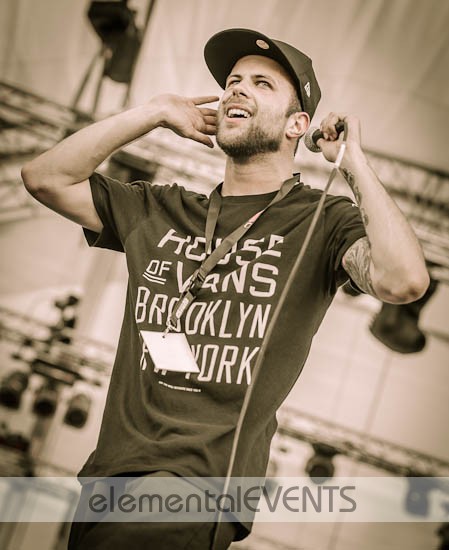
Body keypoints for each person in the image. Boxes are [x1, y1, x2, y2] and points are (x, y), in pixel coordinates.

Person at [22, 28, 429, 550]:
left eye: (262, 84)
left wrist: (352, 161)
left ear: (297, 125)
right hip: (107, 480)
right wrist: (151, 113)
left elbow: (404, 280)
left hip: (196, 485)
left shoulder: (322, 220)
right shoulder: (162, 208)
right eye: (234, 81)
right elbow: (44, 178)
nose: (237, 88)